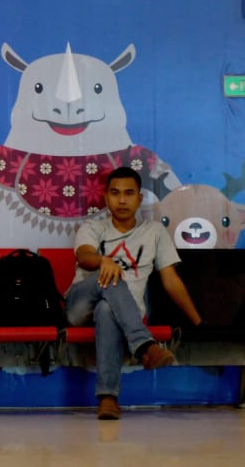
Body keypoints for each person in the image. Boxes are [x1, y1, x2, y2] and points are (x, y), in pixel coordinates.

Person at [66, 166, 202, 420]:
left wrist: (199, 322)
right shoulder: (93, 227)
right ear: (106, 197)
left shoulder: (154, 232)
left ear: (140, 198)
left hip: (121, 315)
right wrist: (103, 262)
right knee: (111, 277)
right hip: (80, 305)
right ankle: (145, 346)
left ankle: (108, 399)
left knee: (107, 309)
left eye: (129, 193)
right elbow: (84, 256)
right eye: (115, 193)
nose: (122, 200)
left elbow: (171, 281)